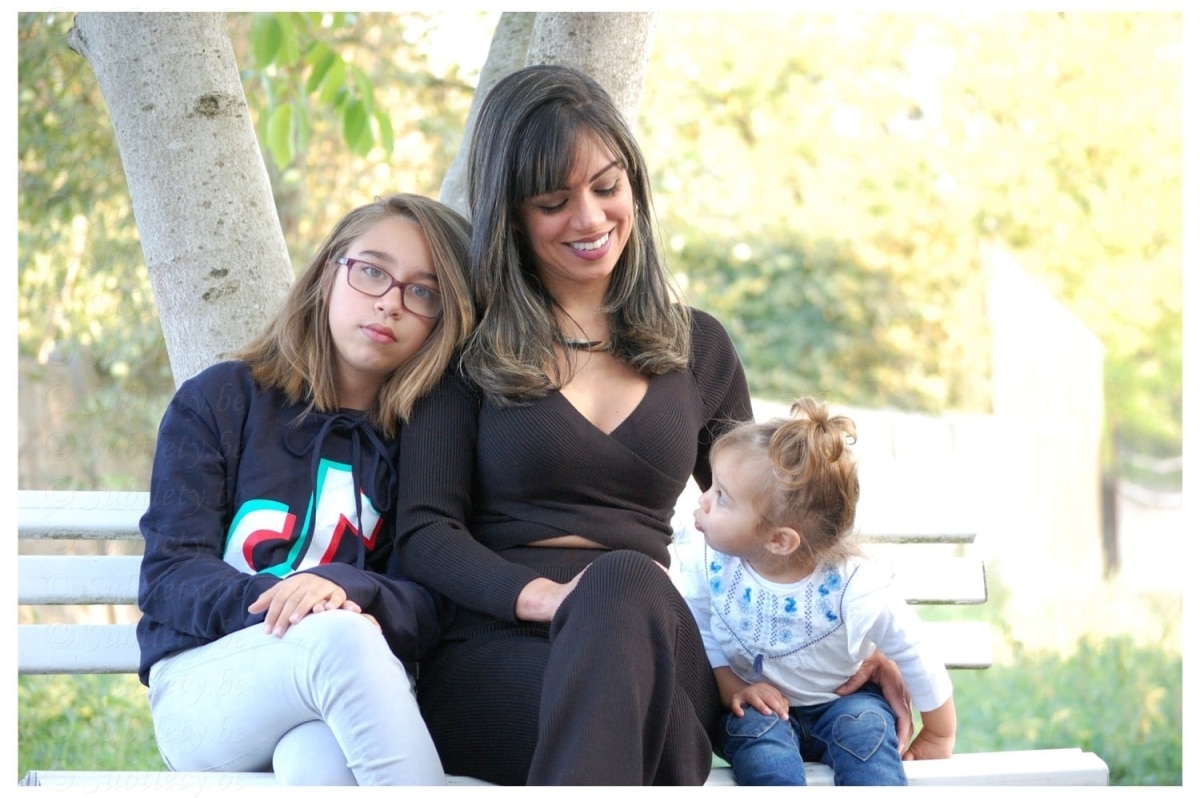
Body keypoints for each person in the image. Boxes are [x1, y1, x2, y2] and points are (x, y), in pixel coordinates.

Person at [389, 64, 908, 786]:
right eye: (554, 201)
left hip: (659, 651)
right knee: (617, 609)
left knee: (627, 581)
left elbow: (776, 513)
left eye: (607, 187)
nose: (590, 219)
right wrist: (548, 599)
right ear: (511, 214)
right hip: (498, 655)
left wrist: (839, 641)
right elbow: (424, 532)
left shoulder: (699, 348)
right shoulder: (465, 350)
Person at [135, 193, 474, 785]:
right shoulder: (222, 400)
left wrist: (346, 587)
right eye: (372, 271)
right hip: (205, 685)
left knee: (322, 766)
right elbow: (171, 576)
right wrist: (294, 603)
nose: (390, 303)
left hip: (346, 696)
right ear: (327, 274)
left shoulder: (426, 439)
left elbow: (430, 603)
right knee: (339, 638)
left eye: (423, 292)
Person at [681, 397, 957, 786]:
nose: (703, 500)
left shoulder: (854, 586)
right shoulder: (707, 561)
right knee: (762, 750)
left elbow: (913, 649)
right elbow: (700, 630)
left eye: (721, 496)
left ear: (779, 540)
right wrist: (734, 688)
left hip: (844, 702)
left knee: (867, 735)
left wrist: (938, 732)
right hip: (761, 708)